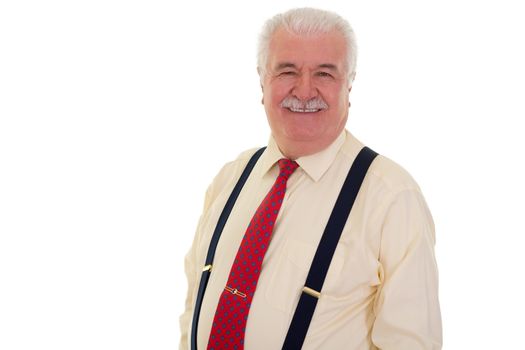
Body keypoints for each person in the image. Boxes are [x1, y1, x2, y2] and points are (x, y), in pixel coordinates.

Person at [179, 7, 442, 350]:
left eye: (324, 74)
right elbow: (192, 309)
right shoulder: (231, 178)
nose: (304, 91)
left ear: (349, 84)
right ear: (262, 80)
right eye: (287, 70)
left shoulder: (391, 196)